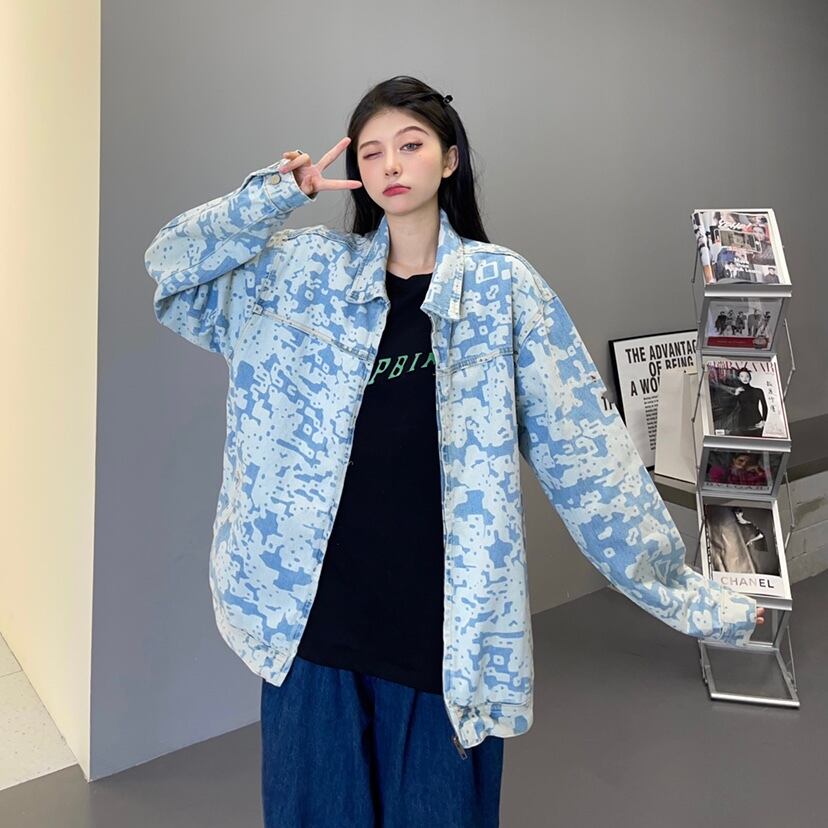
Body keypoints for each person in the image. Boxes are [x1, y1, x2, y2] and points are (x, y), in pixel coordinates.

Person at [144, 75, 764, 827]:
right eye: (371, 151)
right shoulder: (305, 274)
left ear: (449, 159)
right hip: (311, 622)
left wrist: (690, 597)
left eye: (410, 145)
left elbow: (591, 462)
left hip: (444, 633)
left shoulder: (503, 290)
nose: (390, 164)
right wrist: (271, 197)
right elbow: (172, 271)